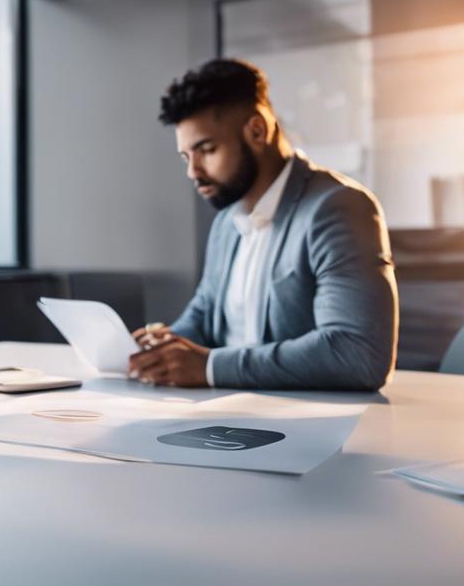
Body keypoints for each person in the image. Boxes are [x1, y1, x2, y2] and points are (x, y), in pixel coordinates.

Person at [129, 59, 397, 390]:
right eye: (187, 157)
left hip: (302, 425)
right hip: (223, 413)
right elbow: (203, 316)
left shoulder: (337, 208)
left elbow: (357, 354)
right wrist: (157, 350)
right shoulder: (227, 222)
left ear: (257, 131)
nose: (193, 172)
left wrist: (211, 367)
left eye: (207, 150)